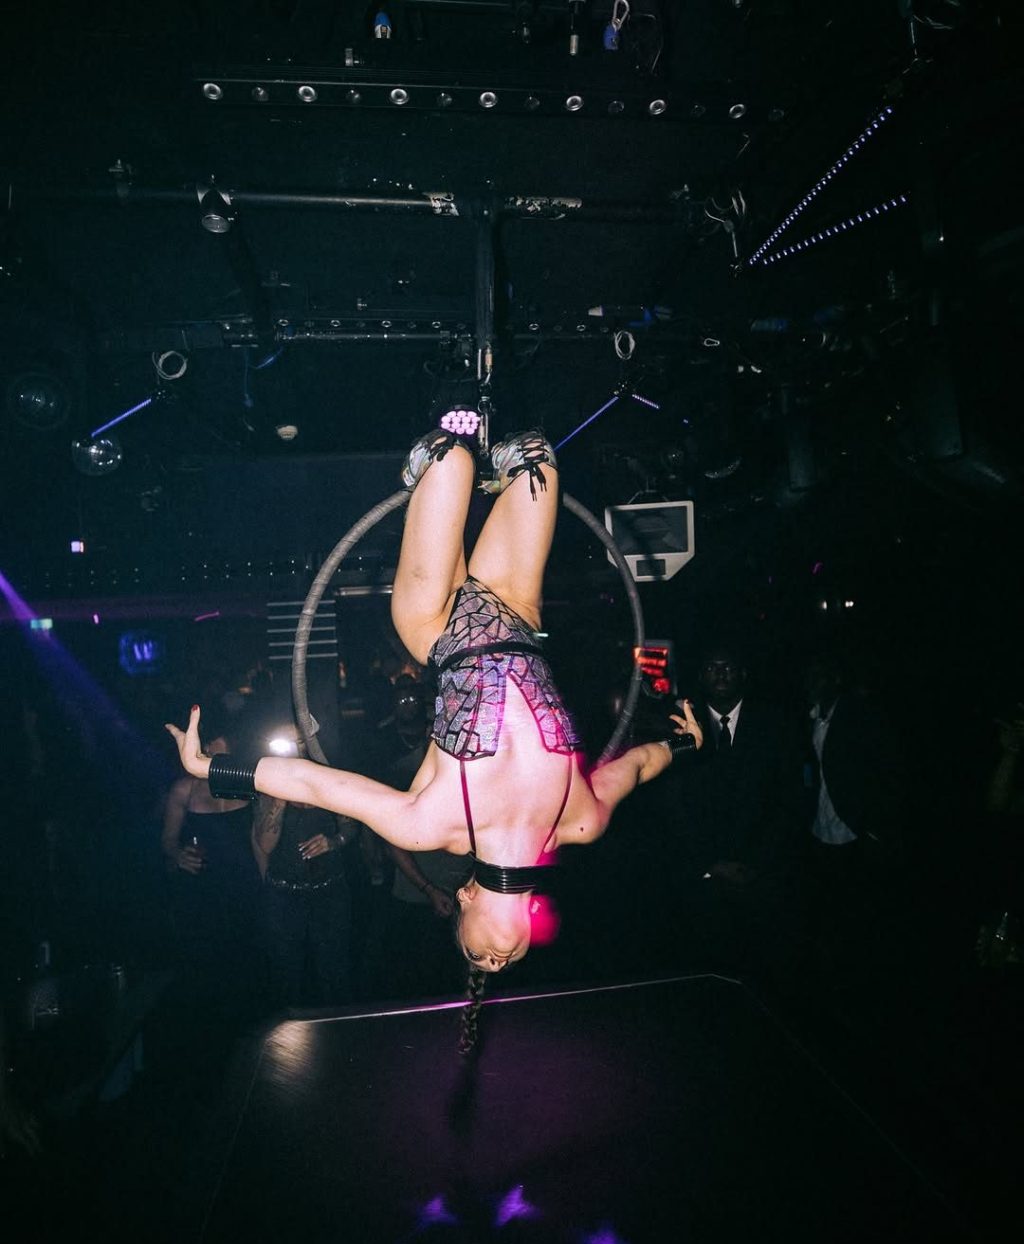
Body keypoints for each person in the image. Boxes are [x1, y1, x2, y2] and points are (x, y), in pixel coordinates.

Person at [167, 427, 700, 983]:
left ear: (463, 896)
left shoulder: (430, 827)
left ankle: (427, 482)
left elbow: (319, 785)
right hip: (517, 611)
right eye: (501, 963)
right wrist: (685, 741)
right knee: (537, 455)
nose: (493, 960)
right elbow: (635, 766)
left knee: (450, 455)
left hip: (437, 626)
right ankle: (479, 466)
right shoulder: (581, 822)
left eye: (474, 958)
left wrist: (214, 769)